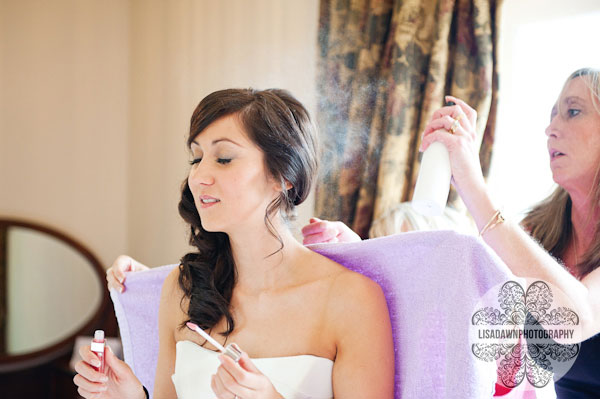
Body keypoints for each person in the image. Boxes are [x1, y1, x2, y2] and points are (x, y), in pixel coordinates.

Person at [74, 88, 394, 398]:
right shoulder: (183, 289)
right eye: (196, 159)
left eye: (224, 158)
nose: (198, 177)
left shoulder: (351, 299)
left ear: (284, 176)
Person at [304, 68, 600, 397]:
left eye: (573, 111)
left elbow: (573, 319)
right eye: (552, 115)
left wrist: (472, 183)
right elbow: (453, 297)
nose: (551, 129)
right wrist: (363, 256)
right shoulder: (538, 230)